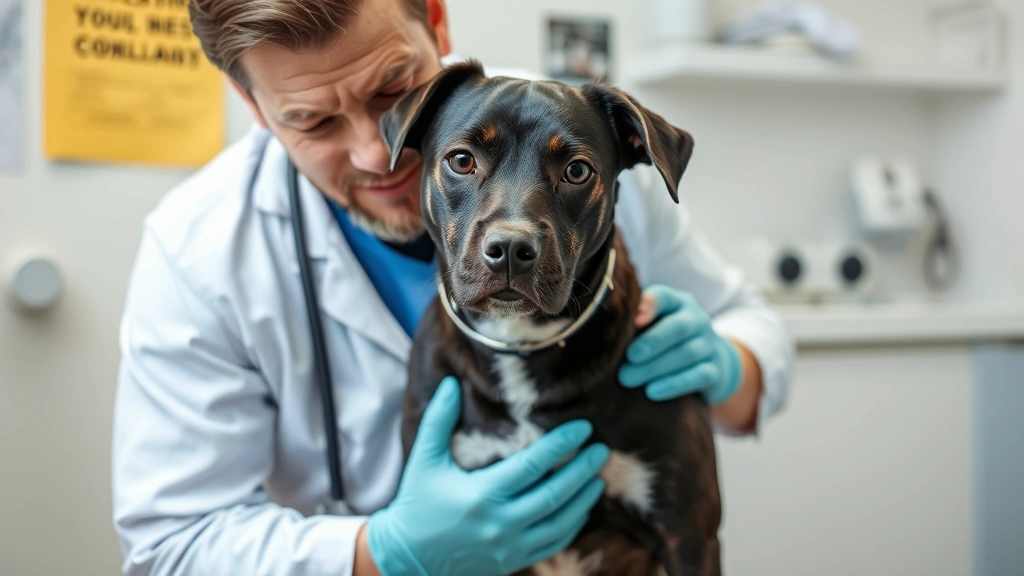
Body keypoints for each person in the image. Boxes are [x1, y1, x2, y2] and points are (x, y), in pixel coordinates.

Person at [111, 1, 794, 575]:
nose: (381, 152)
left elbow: (744, 320)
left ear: (436, 23)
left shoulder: (575, 139)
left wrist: (730, 363)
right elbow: (173, 545)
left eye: (391, 90)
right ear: (254, 106)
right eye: (313, 120)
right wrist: (382, 550)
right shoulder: (197, 254)